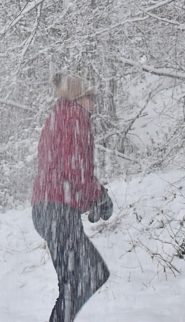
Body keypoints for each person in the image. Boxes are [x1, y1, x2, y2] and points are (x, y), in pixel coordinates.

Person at [31, 72, 114, 322]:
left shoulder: (56, 119)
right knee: (89, 276)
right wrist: (100, 197)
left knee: (74, 282)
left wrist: (87, 202)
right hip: (59, 212)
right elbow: (76, 169)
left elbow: (61, 168)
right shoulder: (75, 117)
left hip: (46, 210)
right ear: (78, 98)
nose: (94, 105)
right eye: (91, 98)